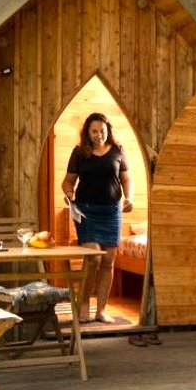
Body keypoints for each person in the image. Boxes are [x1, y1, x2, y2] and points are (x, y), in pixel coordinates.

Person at [61, 112, 133, 324]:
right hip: (86, 211)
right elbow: (68, 182)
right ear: (87, 132)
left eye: (102, 130)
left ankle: (100, 310)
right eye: (94, 131)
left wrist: (129, 198)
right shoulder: (79, 153)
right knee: (93, 259)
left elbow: (127, 179)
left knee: (108, 261)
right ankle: (84, 305)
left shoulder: (118, 151)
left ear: (108, 130)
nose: (99, 135)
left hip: (112, 212)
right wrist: (69, 194)